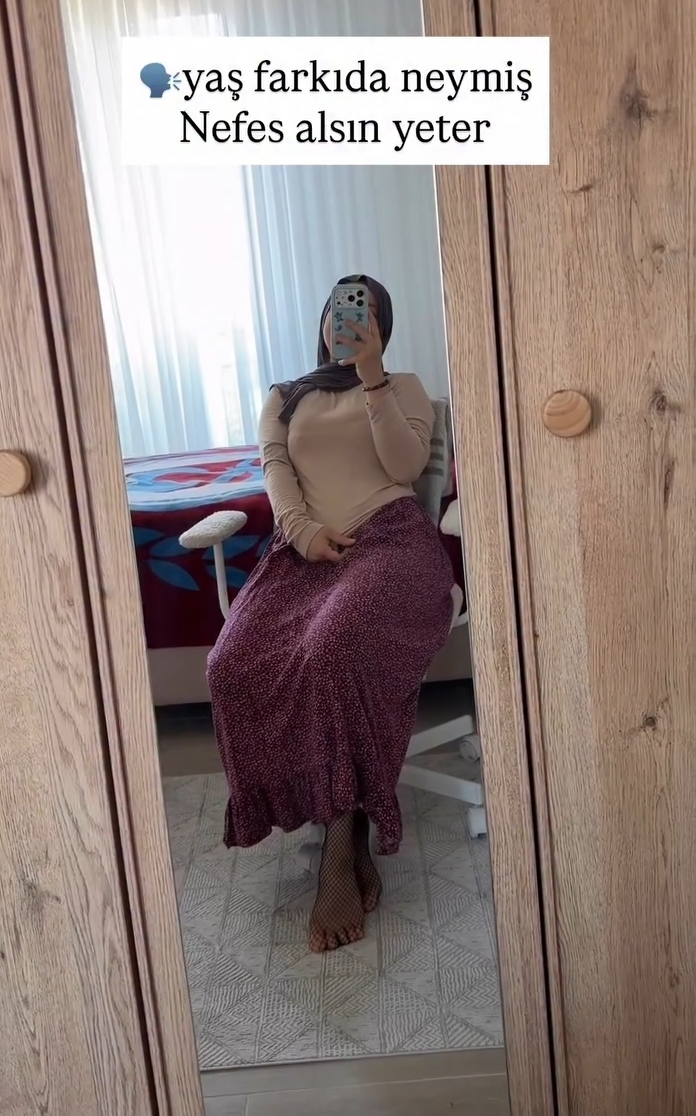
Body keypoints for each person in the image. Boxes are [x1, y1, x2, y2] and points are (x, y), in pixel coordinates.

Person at [207, 274, 454, 953]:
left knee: (332, 648)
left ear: (381, 326)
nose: (348, 319)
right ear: (323, 319)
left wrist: (372, 376)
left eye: (364, 309)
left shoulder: (402, 387)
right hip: (305, 550)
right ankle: (333, 803)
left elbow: (404, 468)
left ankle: (343, 842)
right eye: (340, 308)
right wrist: (303, 531)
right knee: (229, 665)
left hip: (392, 544)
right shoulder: (285, 397)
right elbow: (275, 471)